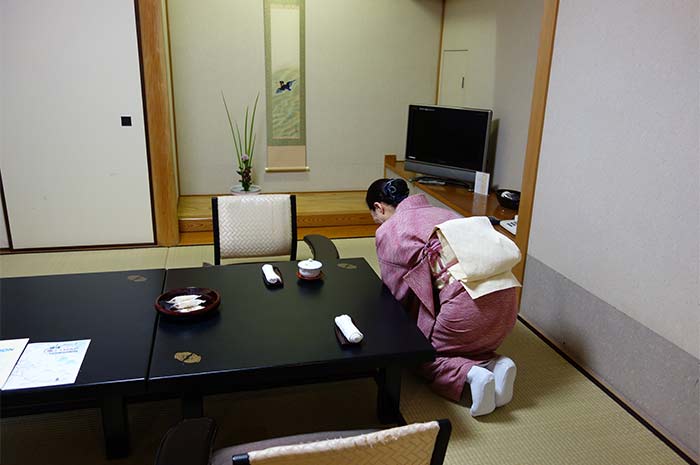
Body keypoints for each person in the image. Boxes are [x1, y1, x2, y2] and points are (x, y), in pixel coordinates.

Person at [366, 178, 520, 416]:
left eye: (375, 217)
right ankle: (497, 364)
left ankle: (472, 375)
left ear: (379, 207)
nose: (378, 222)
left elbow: (397, 295)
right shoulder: (446, 213)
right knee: (465, 342)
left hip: (467, 313)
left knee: (420, 354)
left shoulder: (390, 229)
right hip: (508, 305)